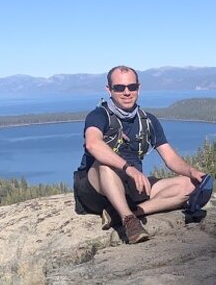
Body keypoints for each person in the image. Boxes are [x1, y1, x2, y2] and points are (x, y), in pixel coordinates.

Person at [73, 65, 206, 243]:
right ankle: (130, 222)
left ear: (139, 88)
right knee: (106, 165)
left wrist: (192, 172)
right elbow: (93, 144)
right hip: (95, 189)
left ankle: (124, 213)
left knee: (190, 186)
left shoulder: (148, 120)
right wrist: (129, 169)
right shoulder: (98, 116)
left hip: (130, 184)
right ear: (109, 90)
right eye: (119, 87)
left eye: (132, 87)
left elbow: (170, 157)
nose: (126, 92)